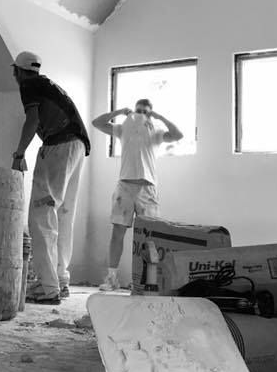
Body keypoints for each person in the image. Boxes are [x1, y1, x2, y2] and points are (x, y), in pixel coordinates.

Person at [10, 51, 90, 305]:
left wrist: (19, 153)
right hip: (78, 145)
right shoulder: (49, 84)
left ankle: (48, 288)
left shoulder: (29, 84)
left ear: (18, 71)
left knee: (40, 216)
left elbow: (32, 120)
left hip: (58, 145)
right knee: (63, 213)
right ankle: (60, 281)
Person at [91, 99, 183, 291]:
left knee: (149, 238)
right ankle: (111, 278)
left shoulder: (155, 133)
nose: (141, 114)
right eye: (138, 110)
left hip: (147, 189)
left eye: (145, 112)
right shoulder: (123, 129)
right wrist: (118, 112)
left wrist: (158, 117)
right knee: (117, 233)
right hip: (124, 187)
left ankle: (146, 281)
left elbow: (178, 135)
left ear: (150, 114)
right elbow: (97, 123)